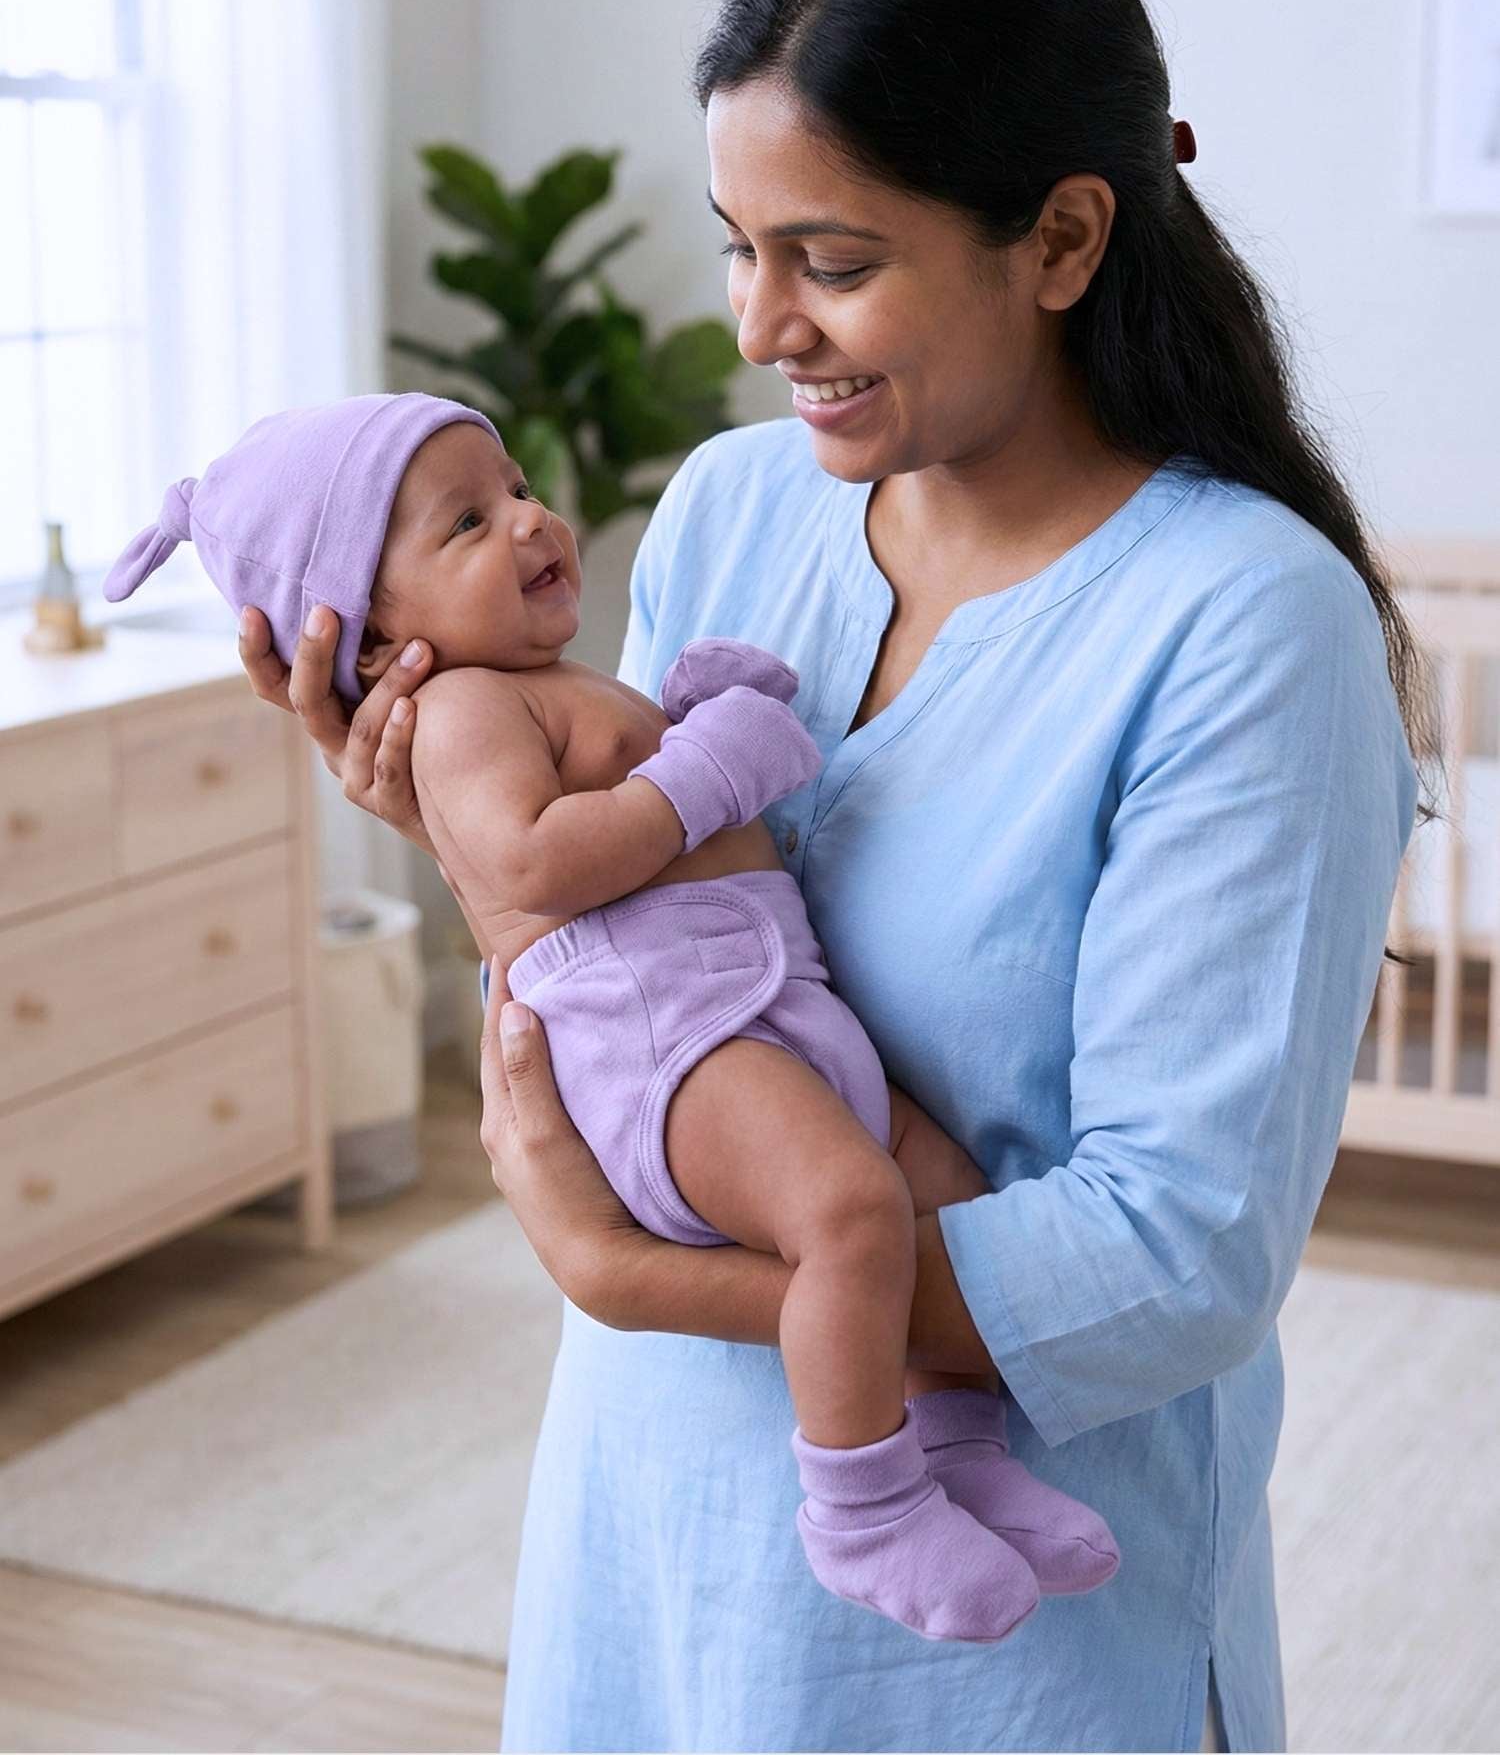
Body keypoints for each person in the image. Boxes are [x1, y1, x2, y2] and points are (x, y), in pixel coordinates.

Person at [238, 0, 1431, 1752]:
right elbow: (648, 957)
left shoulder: (1244, 625)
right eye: (738, 244)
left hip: (1014, 1642)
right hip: (665, 1543)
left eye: (835, 260)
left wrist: (629, 1269)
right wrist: (471, 836)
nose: (757, 325)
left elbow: (1176, 1256)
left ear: (1060, 236)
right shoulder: (730, 508)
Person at [105, 389, 1120, 1643]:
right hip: (675, 1046)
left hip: (757, 1012)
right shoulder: (466, 709)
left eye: (519, 485)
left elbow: (609, 785)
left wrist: (693, 710)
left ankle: (958, 1447)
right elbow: (530, 865)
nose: (531, 519)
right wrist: (711, 764)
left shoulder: (539, 683)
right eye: (467, 522)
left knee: (948, 1189)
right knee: (854, 1213)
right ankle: (862, 1504)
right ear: (372, 641)